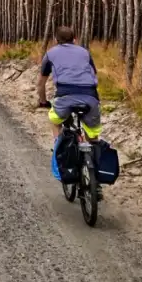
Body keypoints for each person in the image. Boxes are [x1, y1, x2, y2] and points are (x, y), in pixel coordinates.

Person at [37, 25, 101, 176]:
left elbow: (40, 83)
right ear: (75, 39)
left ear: (55, 40)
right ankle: (95, 169)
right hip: (90, 96)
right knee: (93, 134)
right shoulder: (85, 52)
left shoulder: (50, 54)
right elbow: (94, 75)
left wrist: (43, 101)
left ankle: (59, 147)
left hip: (65, 96)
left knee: (55, 120)